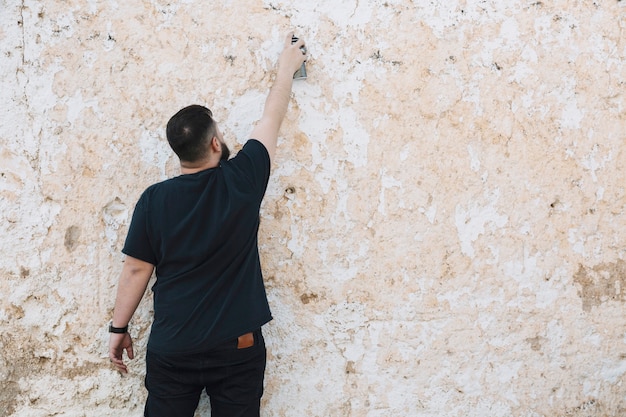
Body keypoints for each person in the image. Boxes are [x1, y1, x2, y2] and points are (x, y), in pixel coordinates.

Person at [108, 32, 307, 417]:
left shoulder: (154, 200)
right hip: (238, 346)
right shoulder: (243, 179)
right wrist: (286, 68)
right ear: (215, 143)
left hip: (174, 346)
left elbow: (136, 269)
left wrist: (118, 330)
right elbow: (272, 116)